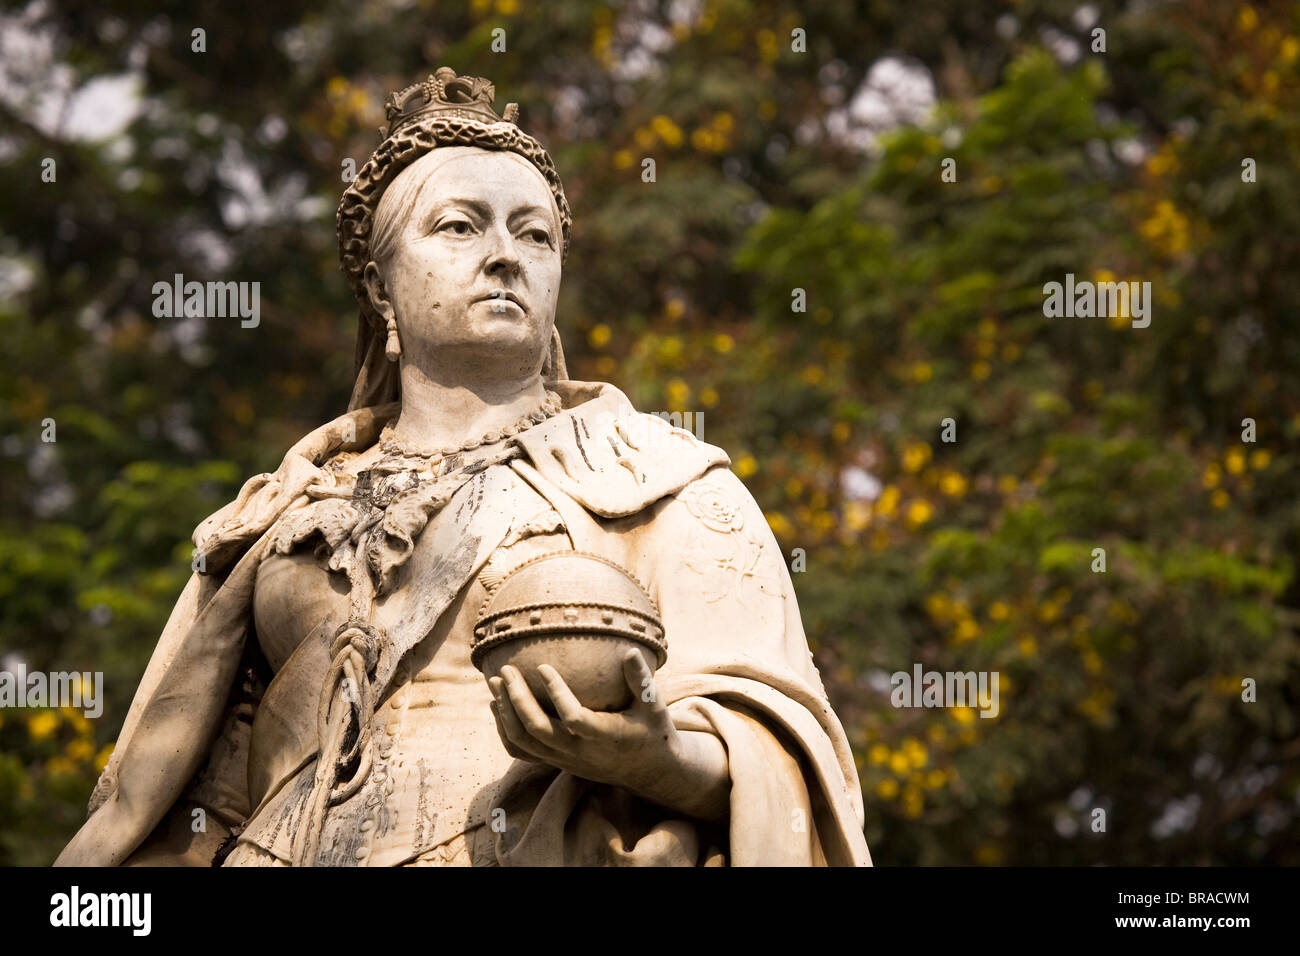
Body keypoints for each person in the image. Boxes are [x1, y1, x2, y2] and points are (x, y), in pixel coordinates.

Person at [55, 68, 870, 867]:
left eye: (535, 234)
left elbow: (783, 752)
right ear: (380, 288)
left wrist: (650, 759)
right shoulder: (284, 507)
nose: (505, 256)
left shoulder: (662, 481)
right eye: (460, 226)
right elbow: (183, 795)